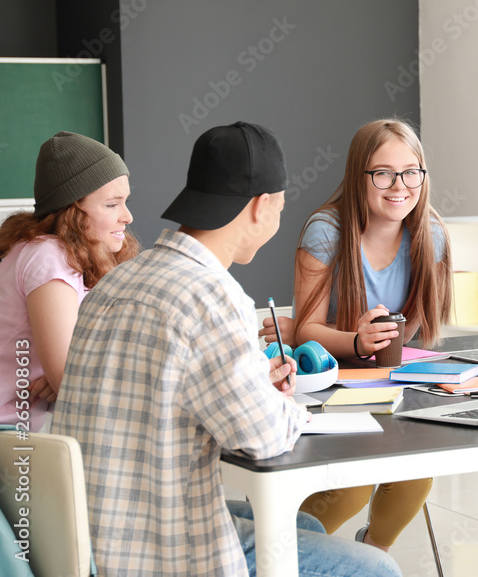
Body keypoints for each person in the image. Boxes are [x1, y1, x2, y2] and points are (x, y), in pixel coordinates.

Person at [52, 122, 400, 577]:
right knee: (377, 569)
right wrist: (283, 405)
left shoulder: (117, 280)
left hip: (84, 536)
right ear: (261, 207)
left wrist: (255, 386)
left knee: (307, 522)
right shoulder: (213, 296)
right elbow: (262, 438)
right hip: (159, 551)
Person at [285, 119, 452, 552]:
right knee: (353, 486)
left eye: (411, 171)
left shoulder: (429, 235)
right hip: (330, 382)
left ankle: (370, 554)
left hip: (388, 380)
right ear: (359, 175)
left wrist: (377, 343)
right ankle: (289, 555)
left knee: (416, 474)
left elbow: (413, 327)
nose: (399, 185)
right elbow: (307, 330)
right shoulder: (326, 231)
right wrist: (357, 342)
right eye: (383, 173)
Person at [0, 131, 139, 432]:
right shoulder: (49, 257)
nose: (127, 216)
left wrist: (63, 378)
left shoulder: (70, 256)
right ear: (73, 211)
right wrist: (64, 378)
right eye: (112, 205)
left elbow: (77, 368)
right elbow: (71, 381)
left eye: (125, 202)